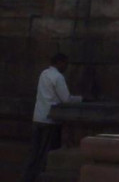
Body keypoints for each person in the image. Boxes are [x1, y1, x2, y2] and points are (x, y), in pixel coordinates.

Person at [20, 53, 82, 182]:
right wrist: (82, 99)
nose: (66, 67)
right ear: (59, 63)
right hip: (50, 120)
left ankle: (27, 178)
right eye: (65, 63)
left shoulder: (44, 74)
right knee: (46, 154)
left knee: (34, 153)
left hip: (38, 118)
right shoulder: (58, 77)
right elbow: (66, 99)